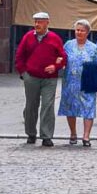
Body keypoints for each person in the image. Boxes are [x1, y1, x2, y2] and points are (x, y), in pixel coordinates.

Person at [14, 11, 67, 147]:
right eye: (35, 21)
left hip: (49, 79)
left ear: (47, 22)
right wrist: (23, 73)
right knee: (31, 105)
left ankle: (46, 136)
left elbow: (62, 57)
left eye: (40, 21)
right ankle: (31, 133)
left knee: (47, 106)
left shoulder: (55, 38)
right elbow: (20, 55)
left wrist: (55, 66)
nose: (37, 24)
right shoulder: (28, 37)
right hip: (31, 76)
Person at [59, 18, 97, 146]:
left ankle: (86, 136)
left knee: (88, 108)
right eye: (77, 30)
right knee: (70, 108)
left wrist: (94, 66)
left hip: (87, 82)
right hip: (70, 83)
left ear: (87, 32)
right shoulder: (68, 45)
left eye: (82, 30)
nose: (79, 32)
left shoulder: (93, 47)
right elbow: (62, 58)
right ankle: (73, 133)